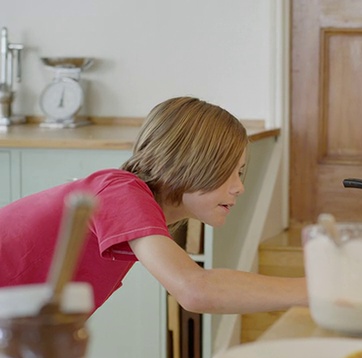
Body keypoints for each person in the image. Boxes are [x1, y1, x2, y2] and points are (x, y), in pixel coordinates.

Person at [0, 96, 307, 315]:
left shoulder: (128, 203)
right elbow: (195, 289)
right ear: (189, 161)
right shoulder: (121, 190)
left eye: (239, 173)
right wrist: (321, 291)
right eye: (227, 170)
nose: (239, 186)